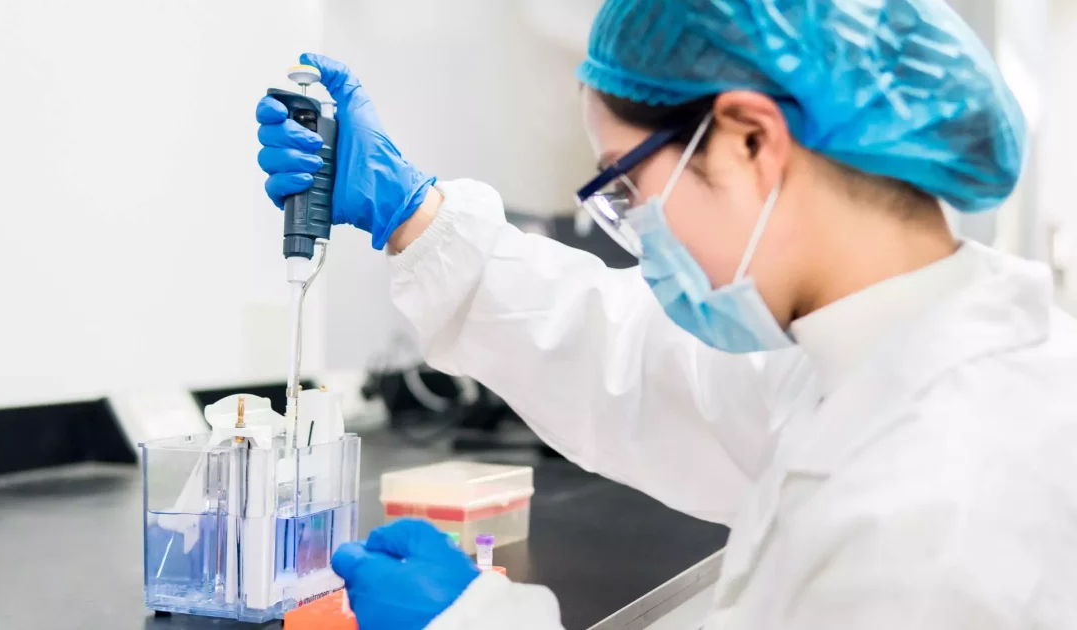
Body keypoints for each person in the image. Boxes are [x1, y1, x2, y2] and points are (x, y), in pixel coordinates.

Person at [256, 0, 1077, 628]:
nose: (635, 230)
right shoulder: (873, 354)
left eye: (628, 184)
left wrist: (474, 622)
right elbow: (646, 366)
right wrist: (415, 216)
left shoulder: (937, 510)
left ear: (750, 140)